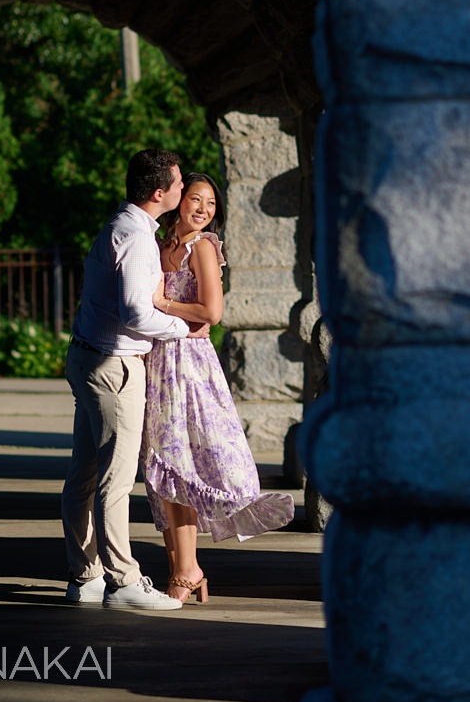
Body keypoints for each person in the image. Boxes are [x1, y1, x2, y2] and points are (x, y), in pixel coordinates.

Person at [61, 149, 213, 611]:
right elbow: (135, 311)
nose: (184, 189)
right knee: (115, 479)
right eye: (178, 183)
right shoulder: (137, 237)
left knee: (84, 475)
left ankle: (85, 576)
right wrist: (183, 328)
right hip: (114, 366)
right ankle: (123, 581)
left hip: (89, 358)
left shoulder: (119, 227)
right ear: (159, 192)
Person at [141, 172, 295, 603]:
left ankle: (187, 573)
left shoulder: (204, 247)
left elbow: (213, 310)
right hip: (159, 364)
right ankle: (179, 569)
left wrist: (163, 305)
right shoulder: (160, 246)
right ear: (177, 201)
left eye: (210, 203)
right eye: (195, 199)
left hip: (190, 366)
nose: (203, 209)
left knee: (181, 465)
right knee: (161, 467)